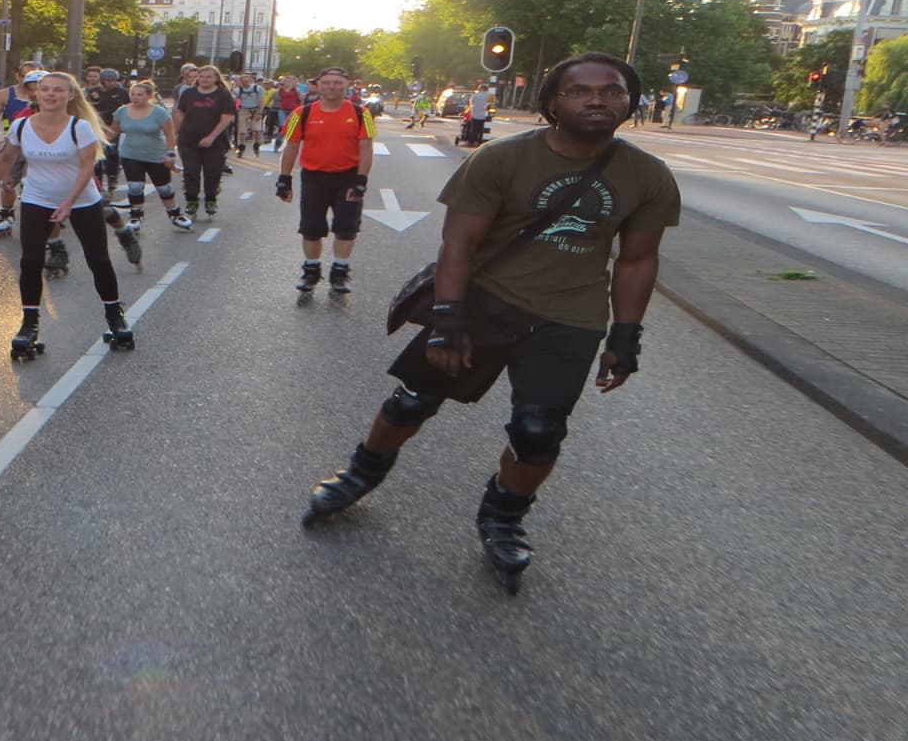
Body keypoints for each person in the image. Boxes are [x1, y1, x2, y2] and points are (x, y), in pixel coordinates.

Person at [298, 53, 680, 593]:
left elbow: (639, 259)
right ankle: (362, 472)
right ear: (553, 103)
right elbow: (459, 241)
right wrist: (449, 318)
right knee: (411, 401)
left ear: (630, 101)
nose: (597, 100)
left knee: (539, 431)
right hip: (485, 302)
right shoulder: (504, 159)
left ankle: (503, 516)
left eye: (612, 91)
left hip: (570, 319)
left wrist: (626, 335)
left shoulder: (646, 175)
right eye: (581, 91)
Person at [0, 71, 134, 359]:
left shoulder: (79, 128)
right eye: (45, 89)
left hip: (81, 201)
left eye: (58, 90)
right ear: (36, 94)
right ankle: (29, 324)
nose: (50, 94)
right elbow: (6, 159)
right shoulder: (21, 126)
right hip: (37, 199)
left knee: (98, 260)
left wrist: (69, 202)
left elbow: (86, 167)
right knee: (31, 260)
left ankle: (115, 317)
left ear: (70, 96)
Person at [277, 67, 376, 296]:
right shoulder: (300, 113)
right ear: (319, 85)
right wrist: (284, 178)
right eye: (327, 82)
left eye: (338, 82)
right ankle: (311, 271)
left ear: (346, 85)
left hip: (348, 177)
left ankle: (339, 272)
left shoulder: (363, 114)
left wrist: (361, 179)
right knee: (311, 228)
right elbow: (291, 146)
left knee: (346, 227)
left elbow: (366, 147)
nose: (332, 86)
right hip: (314, 178)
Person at [108, 80, 191, 230]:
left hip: (155, 155)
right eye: (132, 94)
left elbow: (169, 134)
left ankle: (175, 214)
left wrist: (170, 155)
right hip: (130, 154)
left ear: (149, 96)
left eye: (140, 95)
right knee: (135, 186)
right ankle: (136, 216)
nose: (135, 97)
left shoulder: (159, 112)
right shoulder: (122, 111)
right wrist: (98, 142)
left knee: (164, 188)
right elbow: (113, 131)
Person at [0, 66, 44, 238]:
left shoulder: (60, 103)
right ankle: (6, 212)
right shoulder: (7, 95)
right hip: (16, 143)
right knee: (8, 182)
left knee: (35, 186)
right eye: (29, 82)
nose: (34, 91)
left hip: (45, 151)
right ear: (19, 76)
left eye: (39, 86)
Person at [171, 63, 236, 219]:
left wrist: (211, 137)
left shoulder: (223, 95)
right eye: (202, 77)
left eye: (209, 77)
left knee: (212, 172)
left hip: (215, 142)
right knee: (191, 171)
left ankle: (210, 200)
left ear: (215, 78)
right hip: (189, 139)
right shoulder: (188, 94)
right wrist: (175, 134)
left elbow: (226, 117)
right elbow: (180, 113)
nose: (205, 80)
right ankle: (191, 200)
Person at [85, 67, 131, 188]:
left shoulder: (122, 92)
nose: (111, 83)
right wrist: (94, 99)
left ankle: (112, 177)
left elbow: (128, 107)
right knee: (97, 153)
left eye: (113, 80)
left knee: (112, 152)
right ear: (102, 80)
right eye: (108, 80)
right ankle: (98, 178)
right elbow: (87, 108)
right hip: (97, 125)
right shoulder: (93, 92)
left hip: (114, 126)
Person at [233, 72, 266, 157]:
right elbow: (235, 100)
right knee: (242, 130)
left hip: (255, 109)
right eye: (243, 81)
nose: (245, 82)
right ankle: (241, 147)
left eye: (247, 80)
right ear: (241, 81)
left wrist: (260, 112)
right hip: (243, 109)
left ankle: (256, 145)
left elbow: (261, 101)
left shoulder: (258, 88)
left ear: (251, 80)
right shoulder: (237, 90)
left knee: (257, 129)